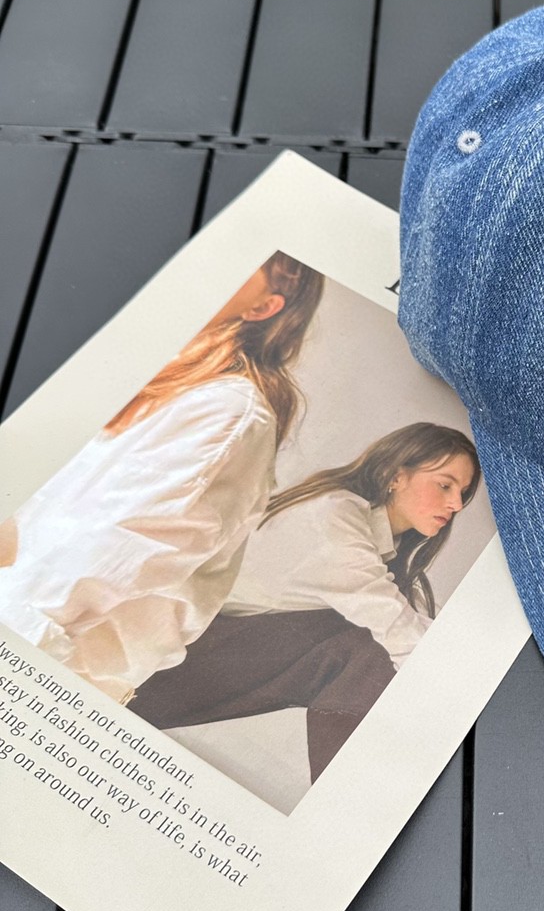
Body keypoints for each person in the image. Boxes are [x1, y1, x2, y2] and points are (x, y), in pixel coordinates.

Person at [0, 252, 324, 703]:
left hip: (41, 669)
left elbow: (101, 559)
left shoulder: (229, 412)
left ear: (263, 307)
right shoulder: (152, 372)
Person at [129, 423, 481, 782]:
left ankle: (355, 785)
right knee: (370, 648)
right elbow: (397, 628)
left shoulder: (381, 547)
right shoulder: (335, 516)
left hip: (208, 659)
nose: (455, 504)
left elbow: (412, 629)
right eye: (445, 485)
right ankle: (348, 791)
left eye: (462, 493)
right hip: (166, 668)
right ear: (396, 476)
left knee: (380, 647)